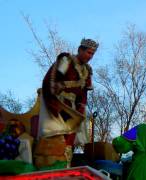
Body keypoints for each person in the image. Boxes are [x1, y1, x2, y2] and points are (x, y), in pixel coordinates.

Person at [34, 38, 99, 169]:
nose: (90, 56)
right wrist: (54, 102)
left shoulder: (87, 71)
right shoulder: (66, 60)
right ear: (80, 50)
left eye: (93, 54)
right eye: (88, 52)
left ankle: (66, 167)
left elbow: (84, 93)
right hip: (59, 103)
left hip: (73, 108)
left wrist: (81, 108)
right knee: (55, 135)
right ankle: (50, 168)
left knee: (70, 140)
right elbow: (51, 80)